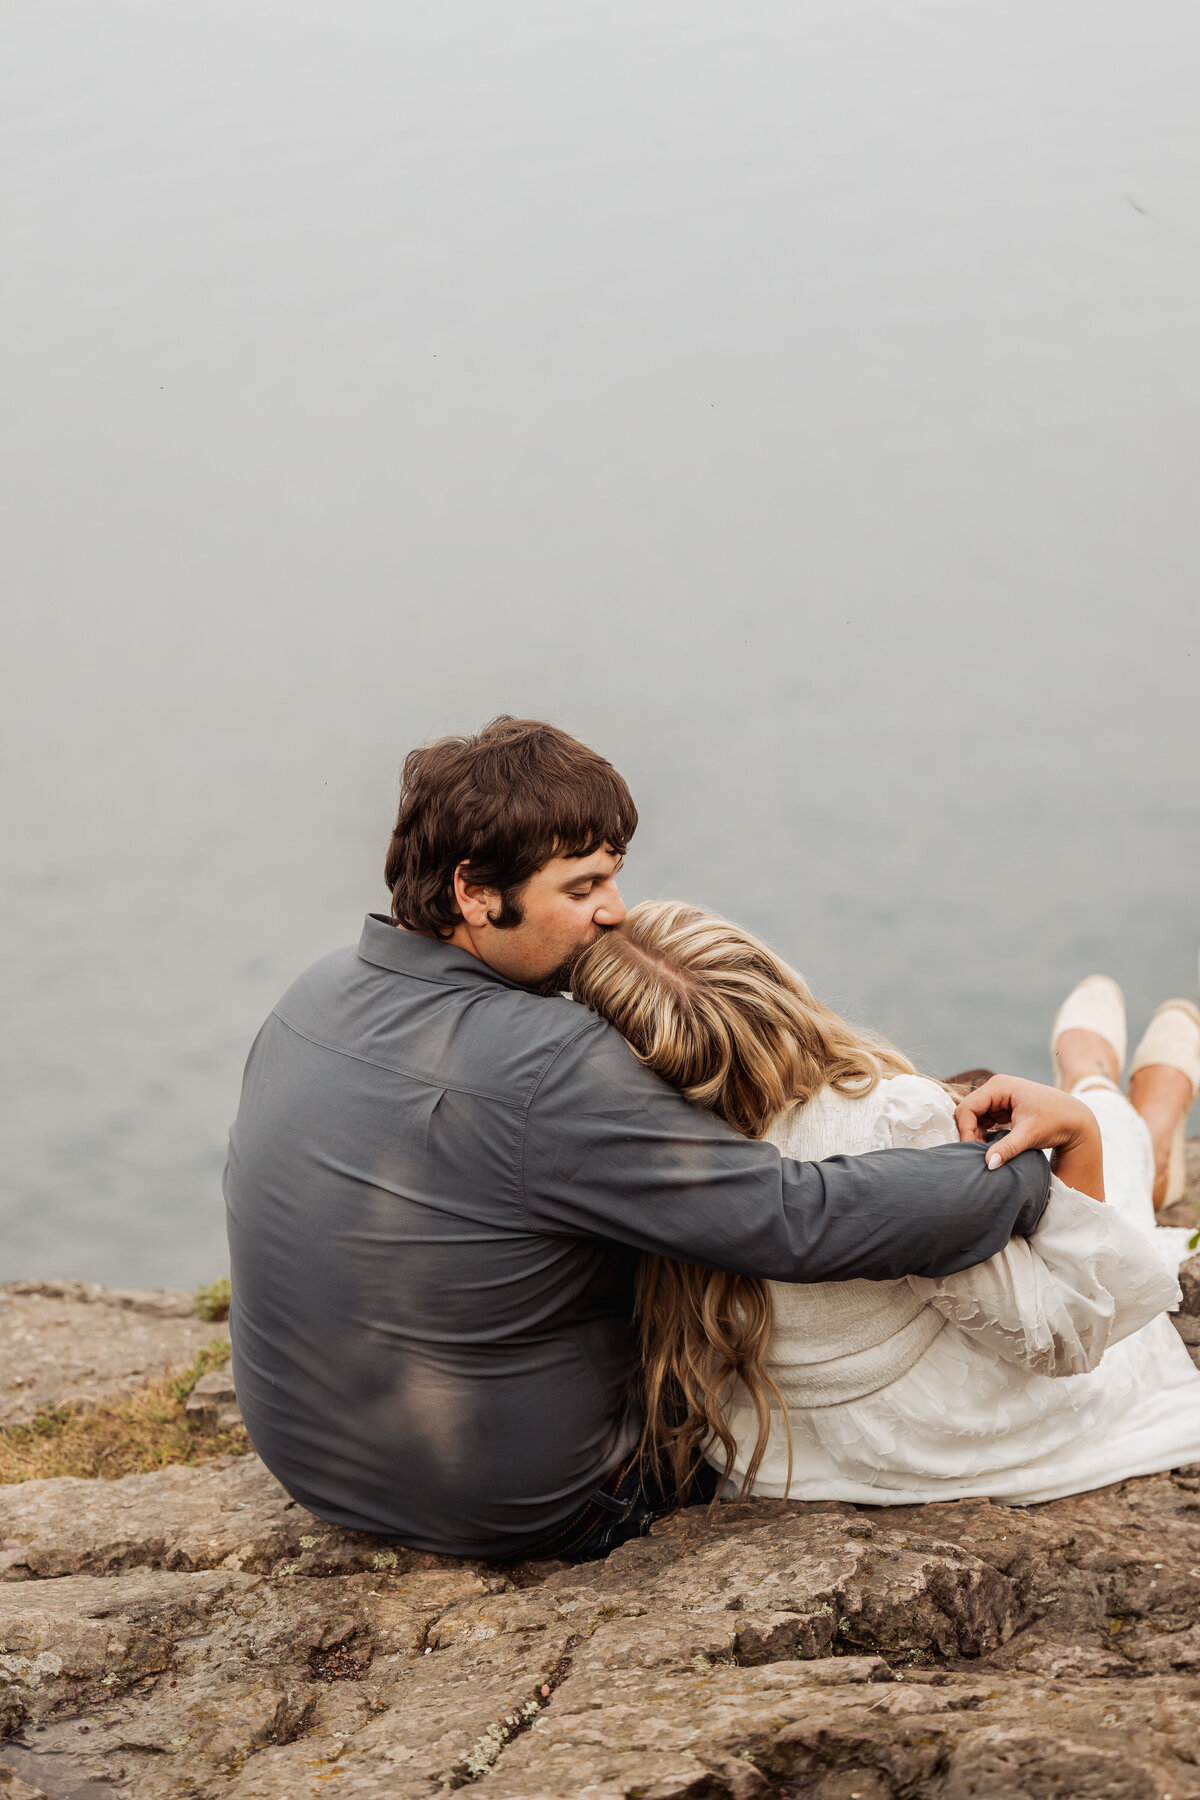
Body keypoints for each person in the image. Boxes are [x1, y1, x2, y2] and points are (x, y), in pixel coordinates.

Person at [224, 717, 1059, 1563]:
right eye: (581, 889)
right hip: (540, 1505)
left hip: (318, 1471)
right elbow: (797, 1220)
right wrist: (1010, 1175)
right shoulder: (549, 1062)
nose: (614, 914)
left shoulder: (314, 994)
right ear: (475, 892)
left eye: (613, 880)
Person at [570, 902, 1200, 1506]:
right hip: (951, 1441)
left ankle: (1123, 1098)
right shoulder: (887, 1125)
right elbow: (1070, 1335)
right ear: (779, 993)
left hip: (792, 1458)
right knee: (1104, 1152)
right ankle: (1113, 1091)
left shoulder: (632, 1172)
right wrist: (1078, 1132)